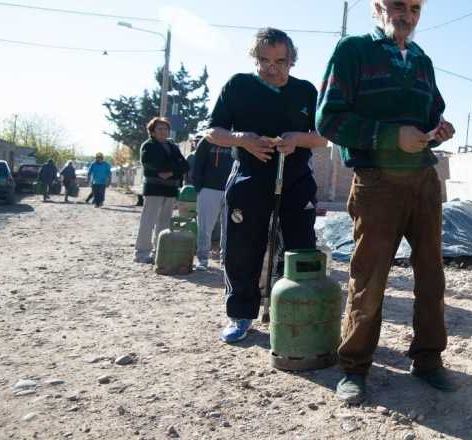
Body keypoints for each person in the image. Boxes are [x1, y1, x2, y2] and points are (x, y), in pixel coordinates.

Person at [317, 0, 457, 405]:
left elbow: (434, 110)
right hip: (376, 181)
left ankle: (428, 360)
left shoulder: (420, 59)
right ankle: (355, 366)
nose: (407, 14)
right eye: (398, 4)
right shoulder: (353, 51)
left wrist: (438, 128)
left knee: (431, 274)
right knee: (370, 276)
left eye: (415, 7)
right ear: (378, 7)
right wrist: (390, 136)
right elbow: (329, 120)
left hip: (424, 179)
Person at [205, 28, 327, 343]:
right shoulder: (238, 85)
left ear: (292, 60)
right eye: (264, 60)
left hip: (296, 178)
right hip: (249, 177)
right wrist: (241, 139)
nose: (272, 68)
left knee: (300, 247)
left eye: (280, 61)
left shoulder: (306, 91)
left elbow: (324, 137)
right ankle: (241, 314)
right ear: (254, 58)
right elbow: (212, 131)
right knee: (242, 247)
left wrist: (297, 139)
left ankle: (293, 310)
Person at [133, 117, 189, 264]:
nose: (163, 131)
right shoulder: (148, 146)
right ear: (152, 131)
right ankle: (141, 253)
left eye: (165, 129)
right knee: (148, 221)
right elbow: (152, 165)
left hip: (170, 189)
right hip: (153, 189)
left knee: (164, 223)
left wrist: (170, 172)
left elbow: (184, 166)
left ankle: (160, 251)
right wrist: (172, 167)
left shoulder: (172, 146)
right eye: (160, 129)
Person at [191, 136, 235, 271]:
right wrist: (200, 188)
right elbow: (198, 165)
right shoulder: (207, 140)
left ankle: (226, 261)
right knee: (205, 227)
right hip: (209, 189)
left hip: (232, 189)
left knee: (230, 228)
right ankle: (202, 259)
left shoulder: (238, 140)